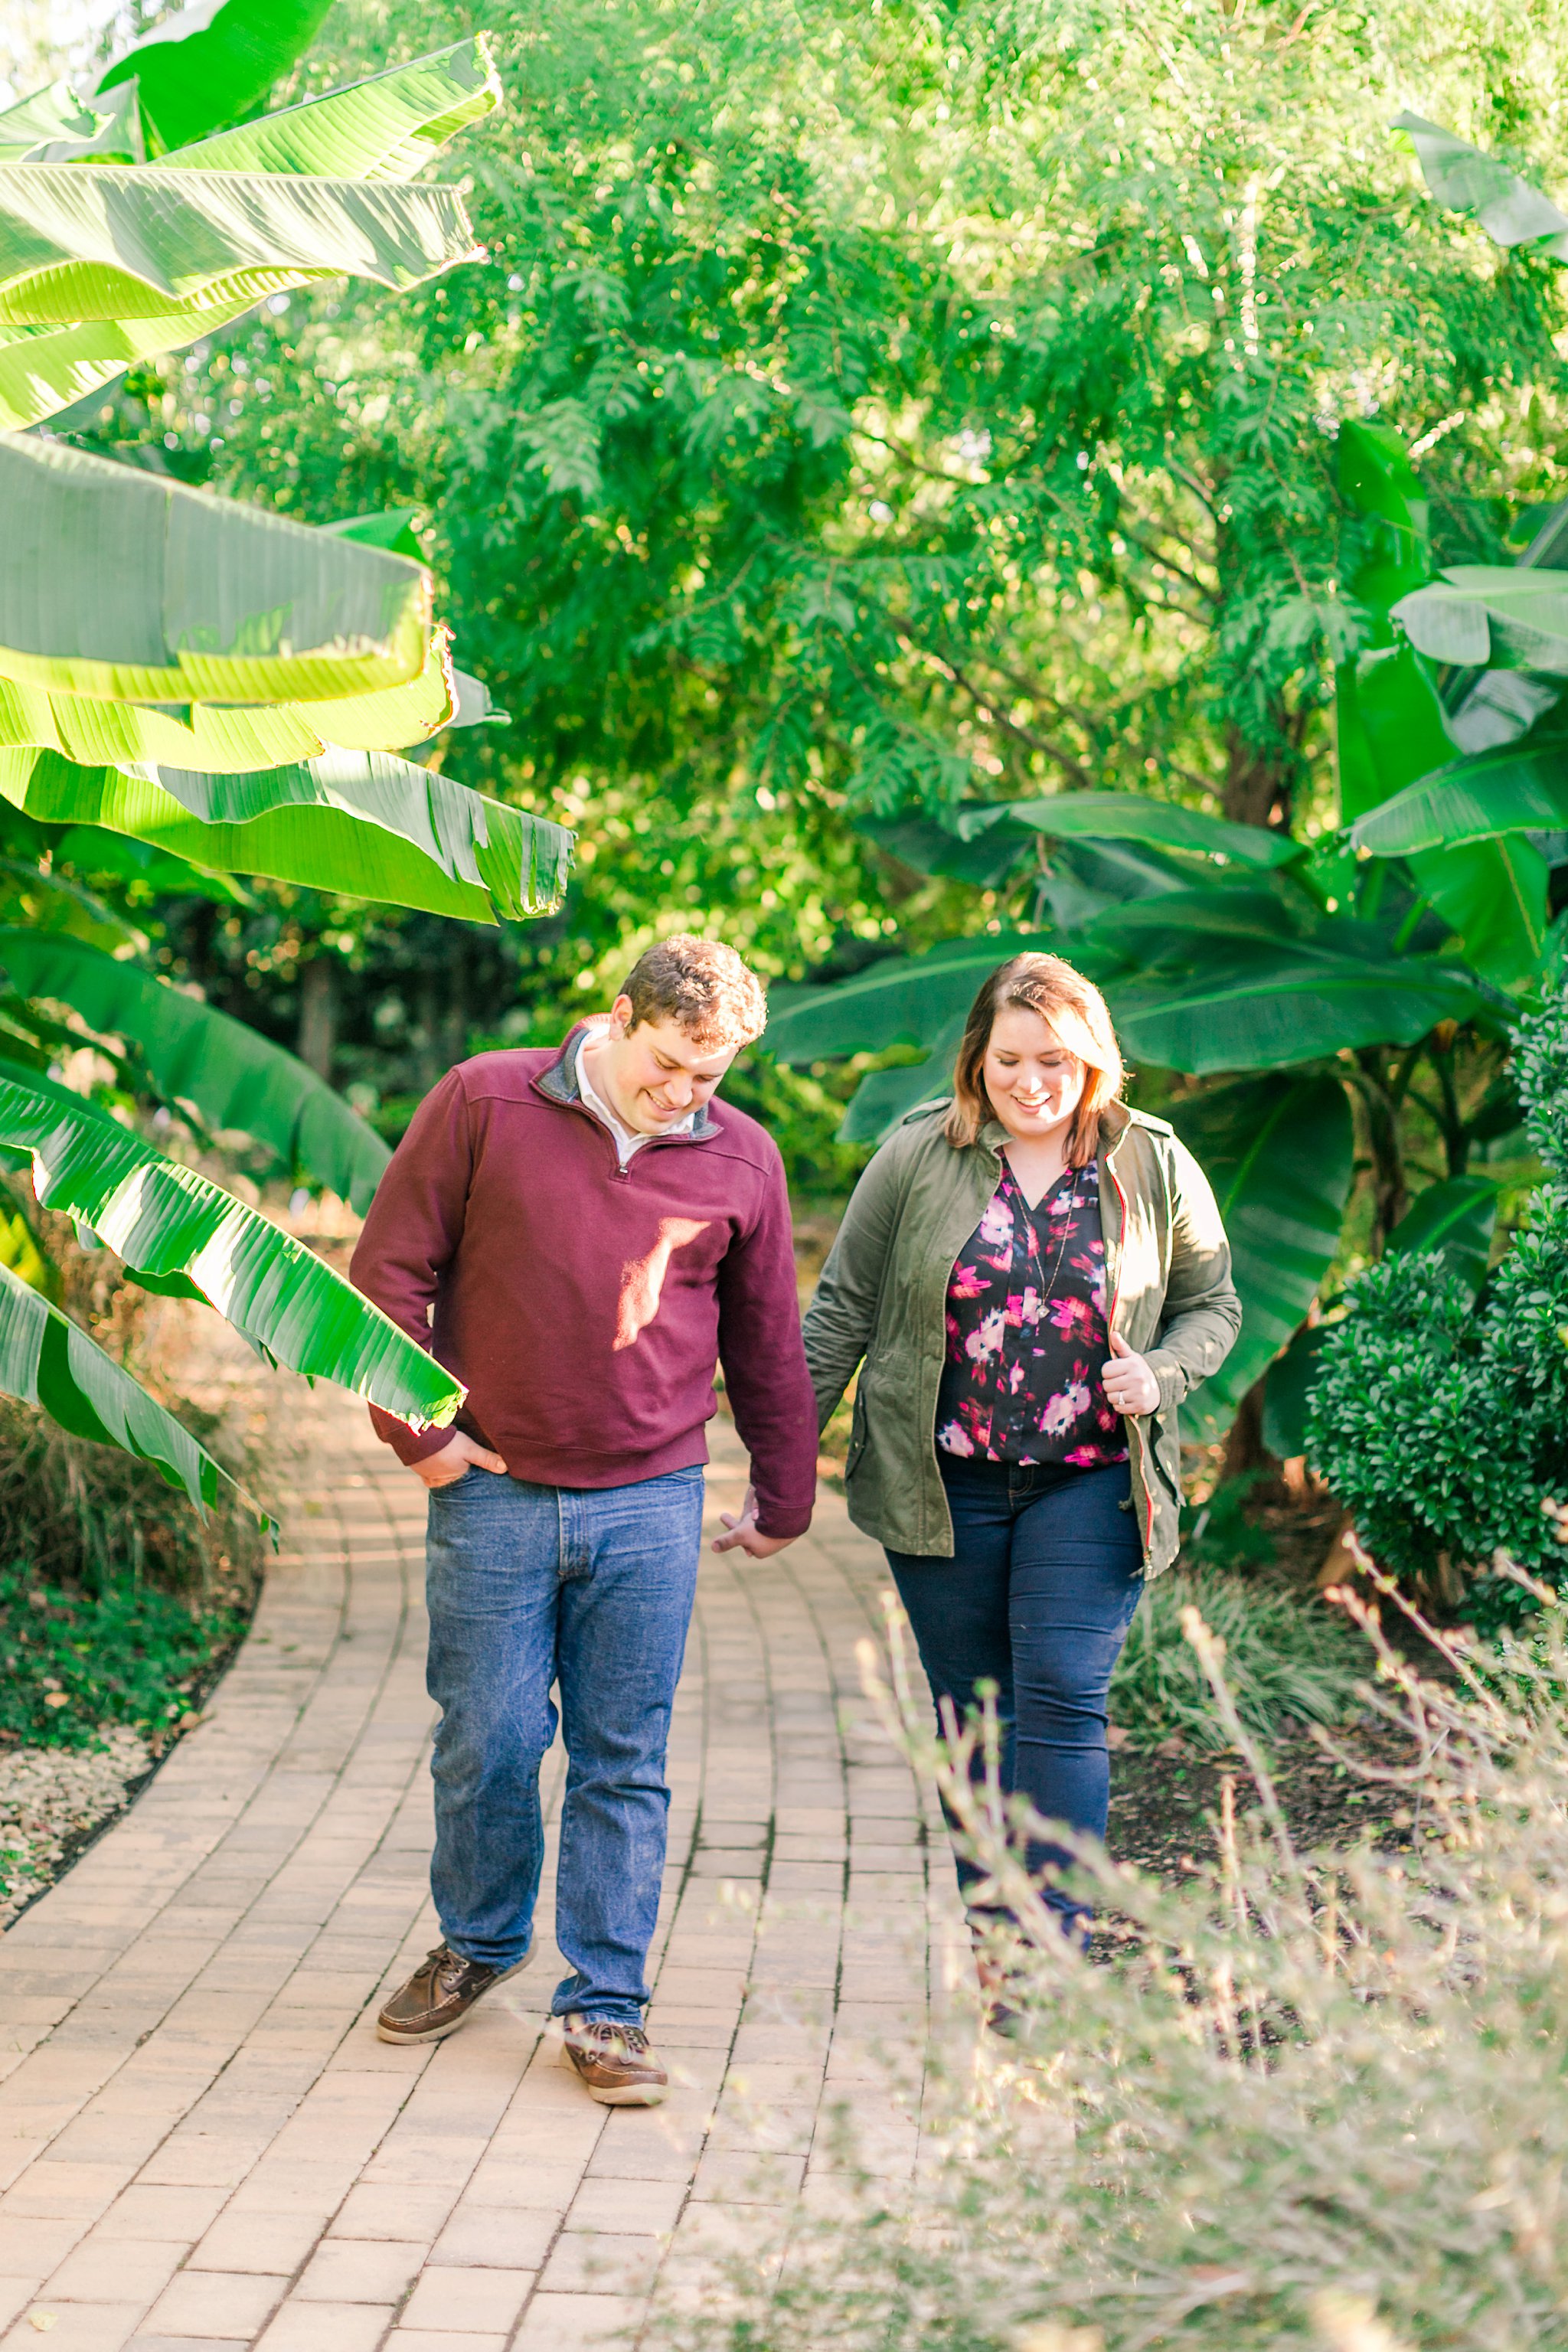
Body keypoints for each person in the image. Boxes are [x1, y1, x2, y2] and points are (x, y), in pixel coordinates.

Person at [351, 937, 816, 2105]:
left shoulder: (743, 1160)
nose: (683, 1097)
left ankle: (605, 2005)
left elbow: (765, 1347)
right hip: (494, 1488)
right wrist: (420, 1436)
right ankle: (480, 1943)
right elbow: (385, 1278)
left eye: (709, 1079)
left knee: (623, 1761)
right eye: (666, 1067)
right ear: (618, 1019)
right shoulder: (485, 1100)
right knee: (490, 1742)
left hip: (653, 1500)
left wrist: (786, 1493)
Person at [802, 952, 1239, 2007]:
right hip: (939, 1484)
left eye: (1055, 1058)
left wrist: (1163, 1370)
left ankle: (1054, 1958)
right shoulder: (917, 1157)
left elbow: (1212, 1304)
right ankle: (998, 1937)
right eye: (1010, 1058)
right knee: (972, 1721)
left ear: (1091, 1057)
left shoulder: (1153, 1162)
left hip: (1089, 1483)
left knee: (1062, 1703)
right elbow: (840, 1316)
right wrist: (777, 1473)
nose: (1032, 1080)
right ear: (977, 1056)